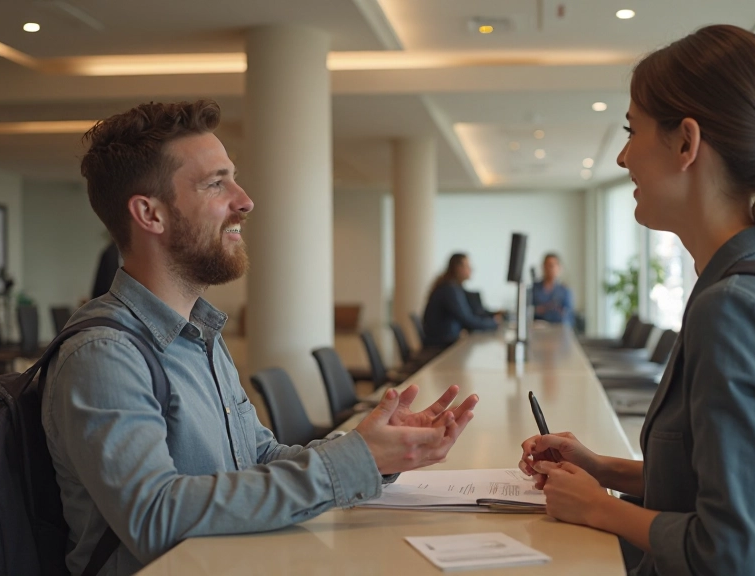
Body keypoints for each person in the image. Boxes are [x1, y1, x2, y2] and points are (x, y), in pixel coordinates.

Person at [42, 100, 479, 575]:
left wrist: (375, 452)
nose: (244, 199)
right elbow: (155, 517)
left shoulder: (199, 335)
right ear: (151, 214)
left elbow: (257, 458)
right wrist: (354, 461)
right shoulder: (104, 354)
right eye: (216, 183)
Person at [519, 25, 755, 576]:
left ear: (685, 143)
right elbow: (730, 486)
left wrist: (599, 510)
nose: (623, 157)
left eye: (632, 131)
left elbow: (730, 553)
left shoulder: (735, 309)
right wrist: (603, 469)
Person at [421, 253, 500, 348]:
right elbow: (467, 320)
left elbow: (473, 311)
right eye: (467, 266)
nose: (471, 269)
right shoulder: (449, 289)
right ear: (458, 268)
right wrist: (494, 323)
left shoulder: (454, 287)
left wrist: (493, 316)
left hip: (445, 341)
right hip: (442, 344)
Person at [531, 253, 574, 324]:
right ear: (543, 267)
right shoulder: (534, 289)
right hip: (538, 329)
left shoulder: (565, 291)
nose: (550, 268)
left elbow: (568, 315)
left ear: (559, 267)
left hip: (559, 330)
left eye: (553, 265)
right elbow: (529, 311)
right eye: (548, 265)